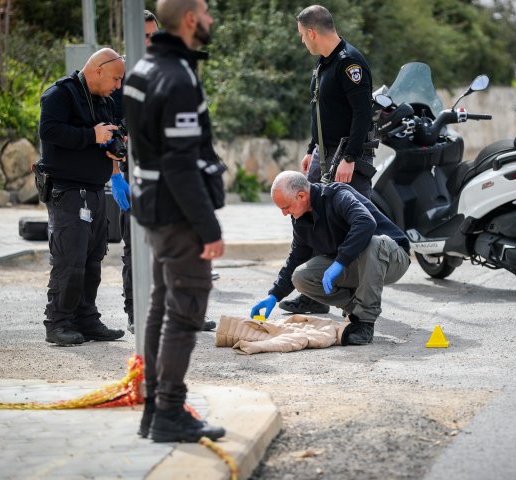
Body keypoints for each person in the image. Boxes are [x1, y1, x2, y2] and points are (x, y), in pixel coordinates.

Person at [123, 0, 226, 443]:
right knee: (184, 313)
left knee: (162, 308)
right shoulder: (178, 78)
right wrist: (210, 229)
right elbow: (182, 166)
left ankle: (154, 409)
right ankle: (168, 411)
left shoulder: (143, 69)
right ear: (189, 20)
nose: (209, 20)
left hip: (154, 210)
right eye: (205, 12)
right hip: (179, 215)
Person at [111, 9, 217, 335]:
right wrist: (116, 173)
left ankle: (184, 313)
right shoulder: (123, 78)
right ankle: (136, 313)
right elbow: (112, 130)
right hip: (135, 176)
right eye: (141, 36)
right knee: (136, 248)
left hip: (172, 178)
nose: (147, 42)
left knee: (178, 249)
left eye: (151, 36)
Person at [281, 4, 376, 316]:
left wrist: (350, 157)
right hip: (325, 152)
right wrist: (311, 149)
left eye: (301, 36)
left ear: (311, 32)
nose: (301, 42)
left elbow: (363, 114)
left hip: (348, 154)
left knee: (353, 226)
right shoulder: (323, 64)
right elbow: (320, 112)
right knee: (315, 219)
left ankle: (361, 306)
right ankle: (314, 295)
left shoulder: (350, 63)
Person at [250, 171, 411, 346]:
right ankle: (355, 311)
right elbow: (296, 258)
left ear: (301, 196)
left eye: (285, 207)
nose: (284, 213)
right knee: (301, 276)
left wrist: (339, 262)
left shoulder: (338, 195)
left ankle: (365, 322)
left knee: (373, 242)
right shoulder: (300, 219)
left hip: (391, 259)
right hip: (356, 264)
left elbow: (366, 222)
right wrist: (274, 294)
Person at [38, 48, 127, 346]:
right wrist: (92, 136)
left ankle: (86, 319)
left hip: (94, 190)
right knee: (70, 258)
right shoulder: (60, 94)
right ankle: (58, 322)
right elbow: (49, 131)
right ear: (98, 70)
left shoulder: (105, 101)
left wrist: (114, 145)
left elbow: (108, 136)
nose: (117, 86)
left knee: (93, 257)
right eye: (115, 79)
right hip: (67, 191)